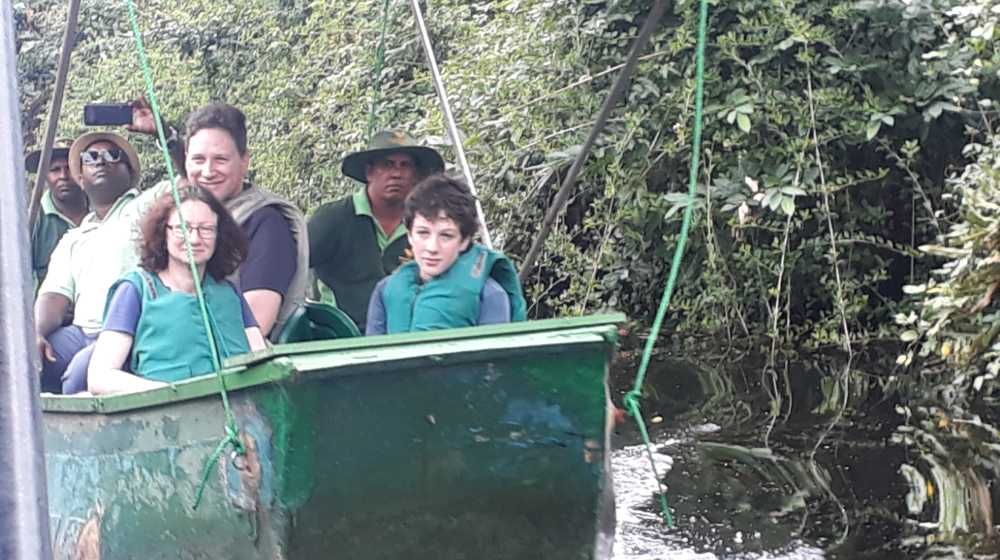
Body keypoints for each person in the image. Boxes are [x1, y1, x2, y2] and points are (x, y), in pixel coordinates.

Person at [130, 102, 308, 341]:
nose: (208, 171)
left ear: (245, 161)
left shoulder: (266, 223)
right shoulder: (179, 213)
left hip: (225, 356)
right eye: (198, 159)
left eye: (221, 160)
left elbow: (254, 324)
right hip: (156, 332)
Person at [88, 185, 267, 394]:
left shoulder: (229, 292)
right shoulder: (135, 290)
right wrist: (171, 393)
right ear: (164, 232)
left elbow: (261, 358)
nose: (195, 239)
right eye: (183, 228)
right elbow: (100, 377)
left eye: (207, 229)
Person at [34, 132, 147, 393]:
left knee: (78, 374)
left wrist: (169, 139)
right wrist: (36, 332)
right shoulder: (73, 238)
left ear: (129, 172)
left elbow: (189, 181)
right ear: (81, 178)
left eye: (112, 155)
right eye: (91, 157)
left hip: (128, 331)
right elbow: (53, 295)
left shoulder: (147, 207)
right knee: (21, 363)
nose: (100, 161)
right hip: (80, 332)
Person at [308, 130, 445, 329]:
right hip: (339, 337)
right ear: (369, 172)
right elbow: (292, 264)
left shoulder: (426, 225)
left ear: (415, 175)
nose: (396, 173)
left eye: (405, 166)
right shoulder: (333, 218)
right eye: (387, 164)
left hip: (407, 334)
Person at [365, 174, 526, 335]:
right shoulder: (385, 290)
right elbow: (371, 356)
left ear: (464, 241)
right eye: (423, 233)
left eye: (446, 236)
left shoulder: (490, 294)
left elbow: (495, 359)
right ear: (409, 235)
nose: (432, 247)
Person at [25, 137, 88, 285]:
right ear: (44, 176)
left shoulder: (102, 207)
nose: (63, 176)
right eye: (55, 170)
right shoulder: (33, 219)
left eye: (70, 169)